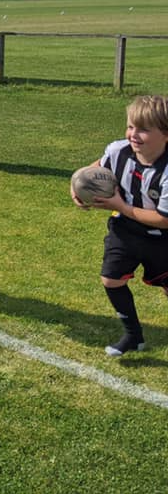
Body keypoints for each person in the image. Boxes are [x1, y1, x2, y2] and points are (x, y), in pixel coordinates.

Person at [71, 95, 168, 357]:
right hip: (125, 230)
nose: (134, 135)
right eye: (130, 126)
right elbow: (93, 169)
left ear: (166, 134)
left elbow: (164, 219)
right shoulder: (118, 151)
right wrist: (78, 189)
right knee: (111, 279)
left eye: (144, 129)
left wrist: (121, 205)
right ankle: (133, 336)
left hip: (163, 237)